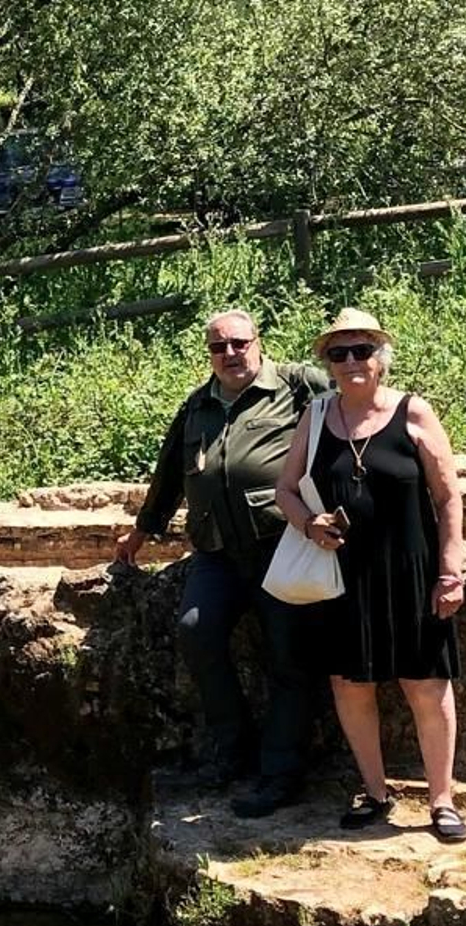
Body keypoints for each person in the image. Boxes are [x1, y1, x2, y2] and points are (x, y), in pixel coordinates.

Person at [116, 310, 331, 817]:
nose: (230, 354)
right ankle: (231, 750)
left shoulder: (298, 386)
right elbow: (170, 470)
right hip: (217, 553)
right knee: (196, 630)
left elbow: (350, 424)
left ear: (258, 342)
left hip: (281, 547)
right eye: (219, 347)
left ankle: (280, 773)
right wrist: (143, 529)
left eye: (239, 343)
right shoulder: (199, 405)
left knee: (289, 658)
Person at [275, 309, 466, 840]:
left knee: (426, 684)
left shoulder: (413, 412)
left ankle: (442, 800)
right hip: (342, 575)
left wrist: (450, 569)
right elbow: (285, 489)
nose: (351, 361)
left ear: (380, 358)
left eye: (362, 350)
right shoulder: (316, 416)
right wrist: (309, 523)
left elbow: (448, 496)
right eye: (339, 353)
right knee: (351, 685)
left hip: (411, 570)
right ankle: (376, 793)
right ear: (328, 364)